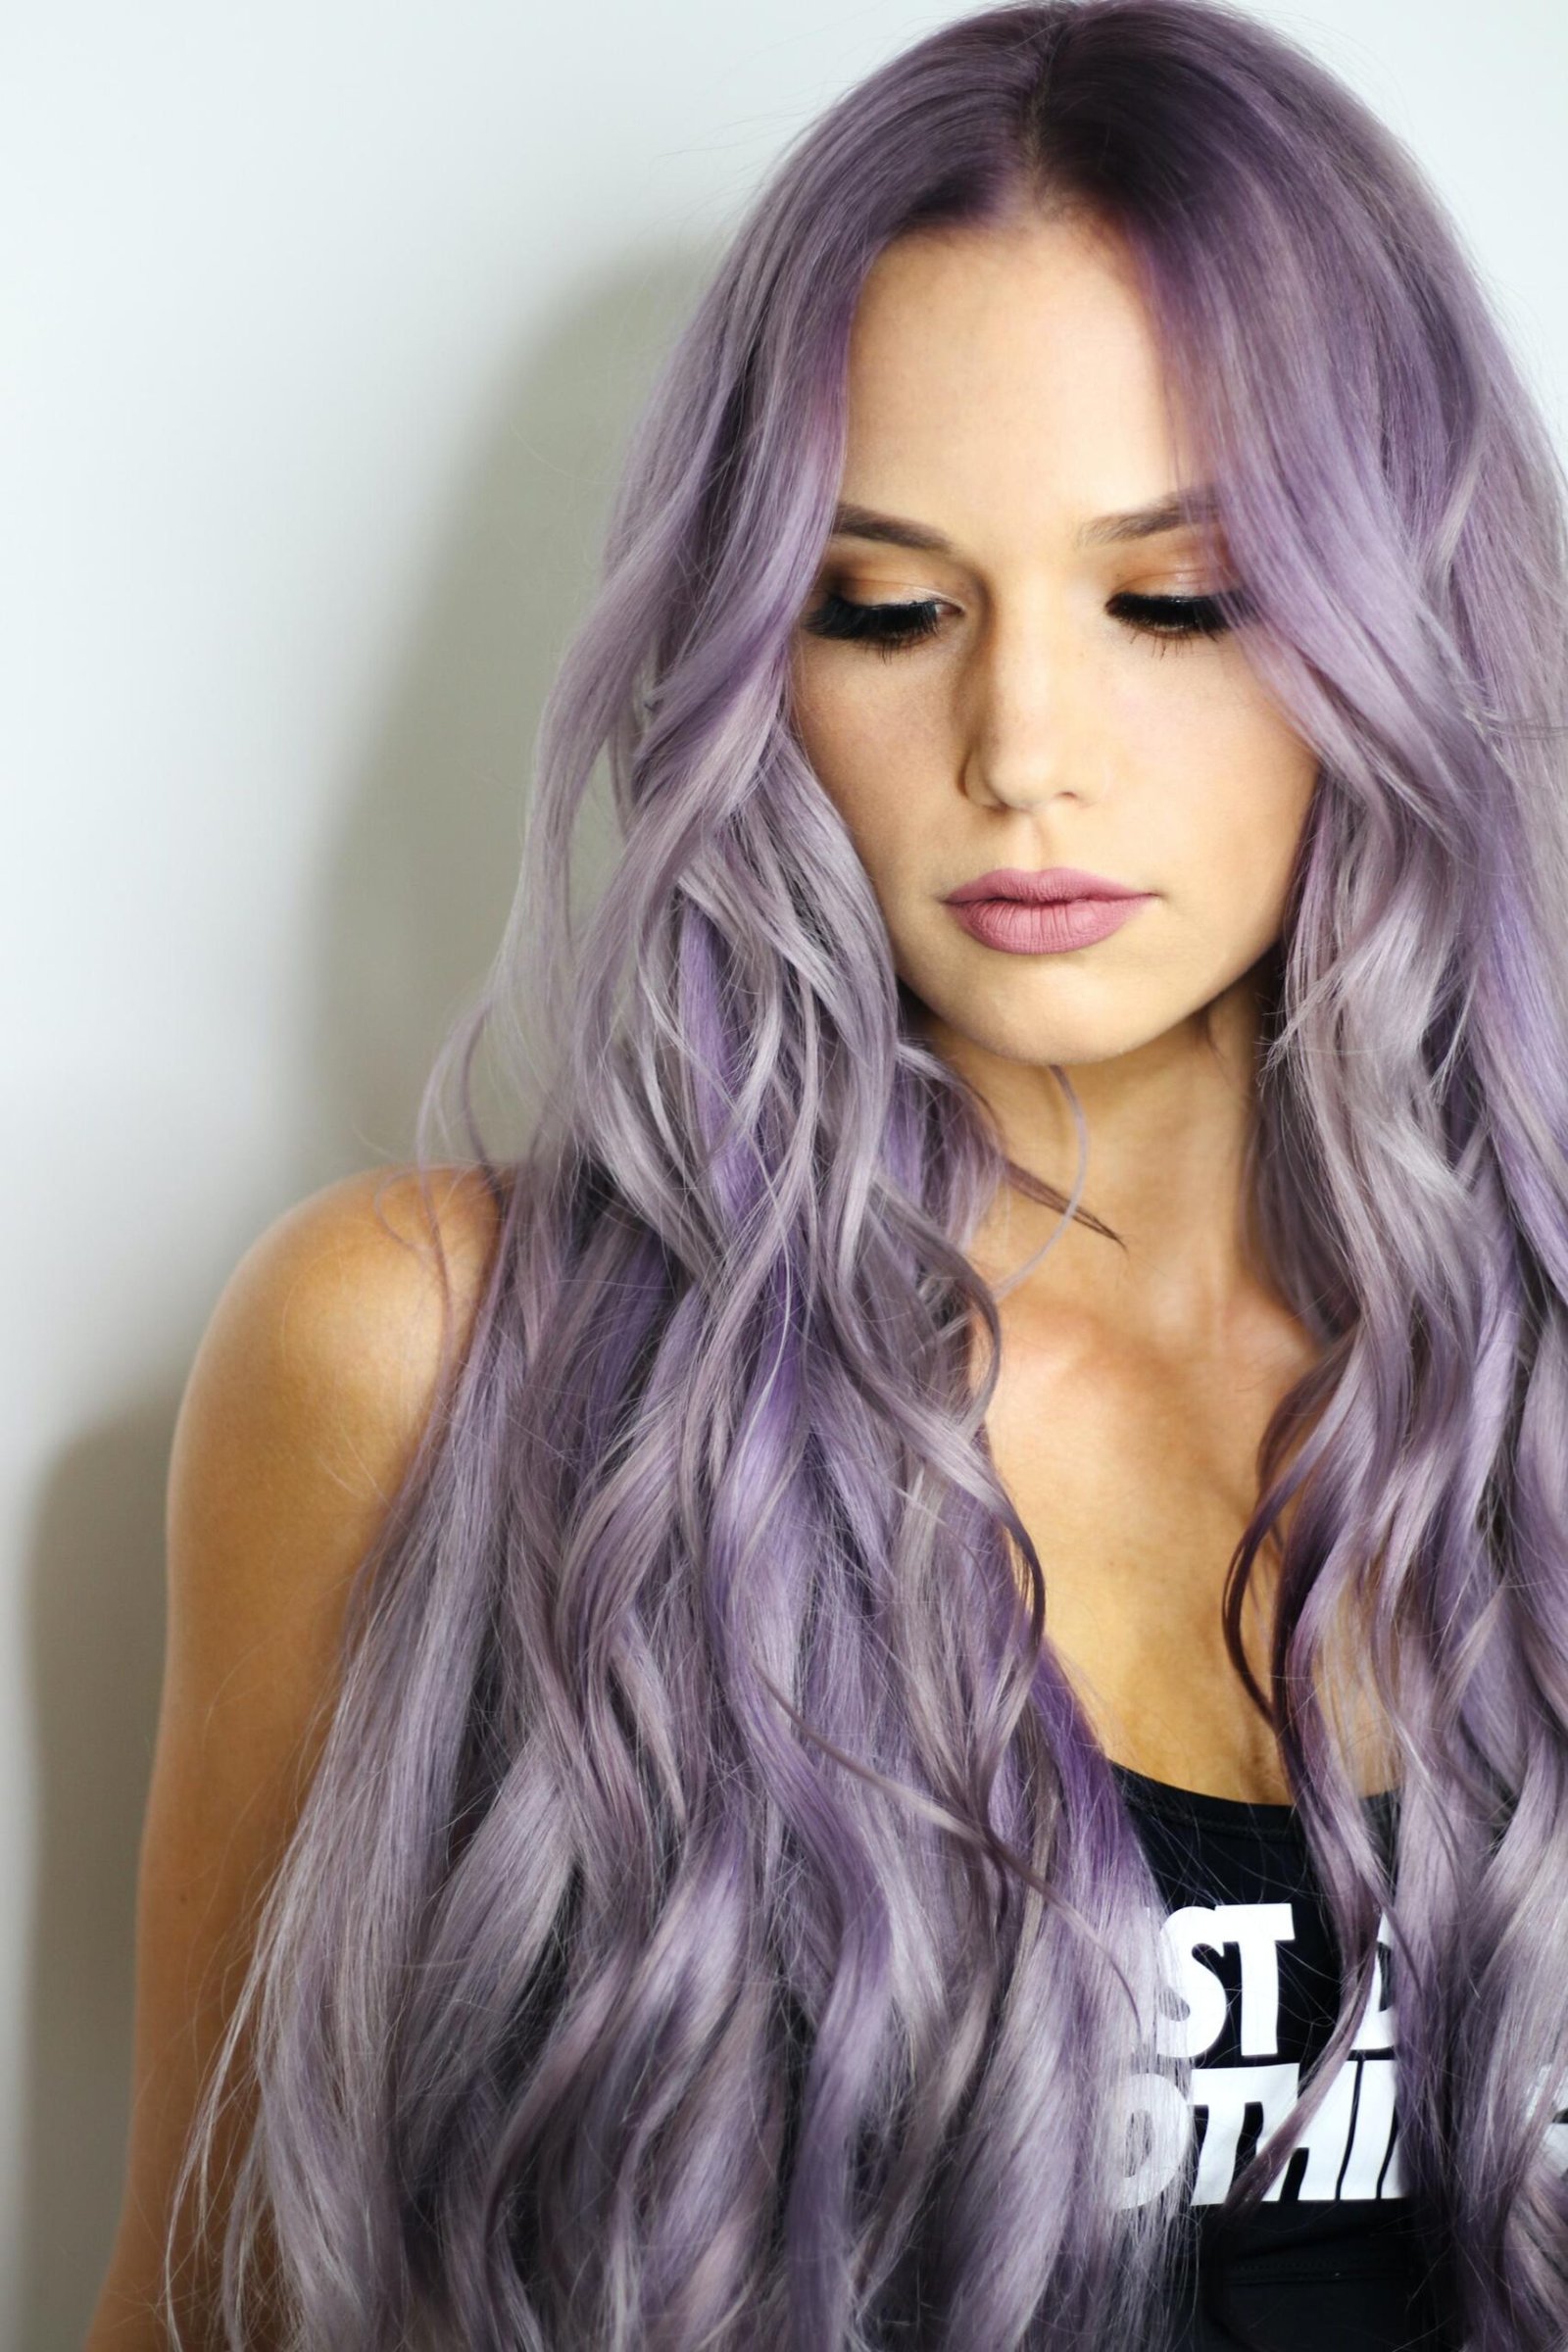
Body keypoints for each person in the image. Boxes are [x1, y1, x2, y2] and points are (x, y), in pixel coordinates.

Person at [86, 2, 1568, 2346]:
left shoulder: (1531, 1398)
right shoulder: (438, 1367)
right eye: (883, 605)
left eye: (1171, 599)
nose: (1020, 751)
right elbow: (206, 2304)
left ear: (1392, 631)